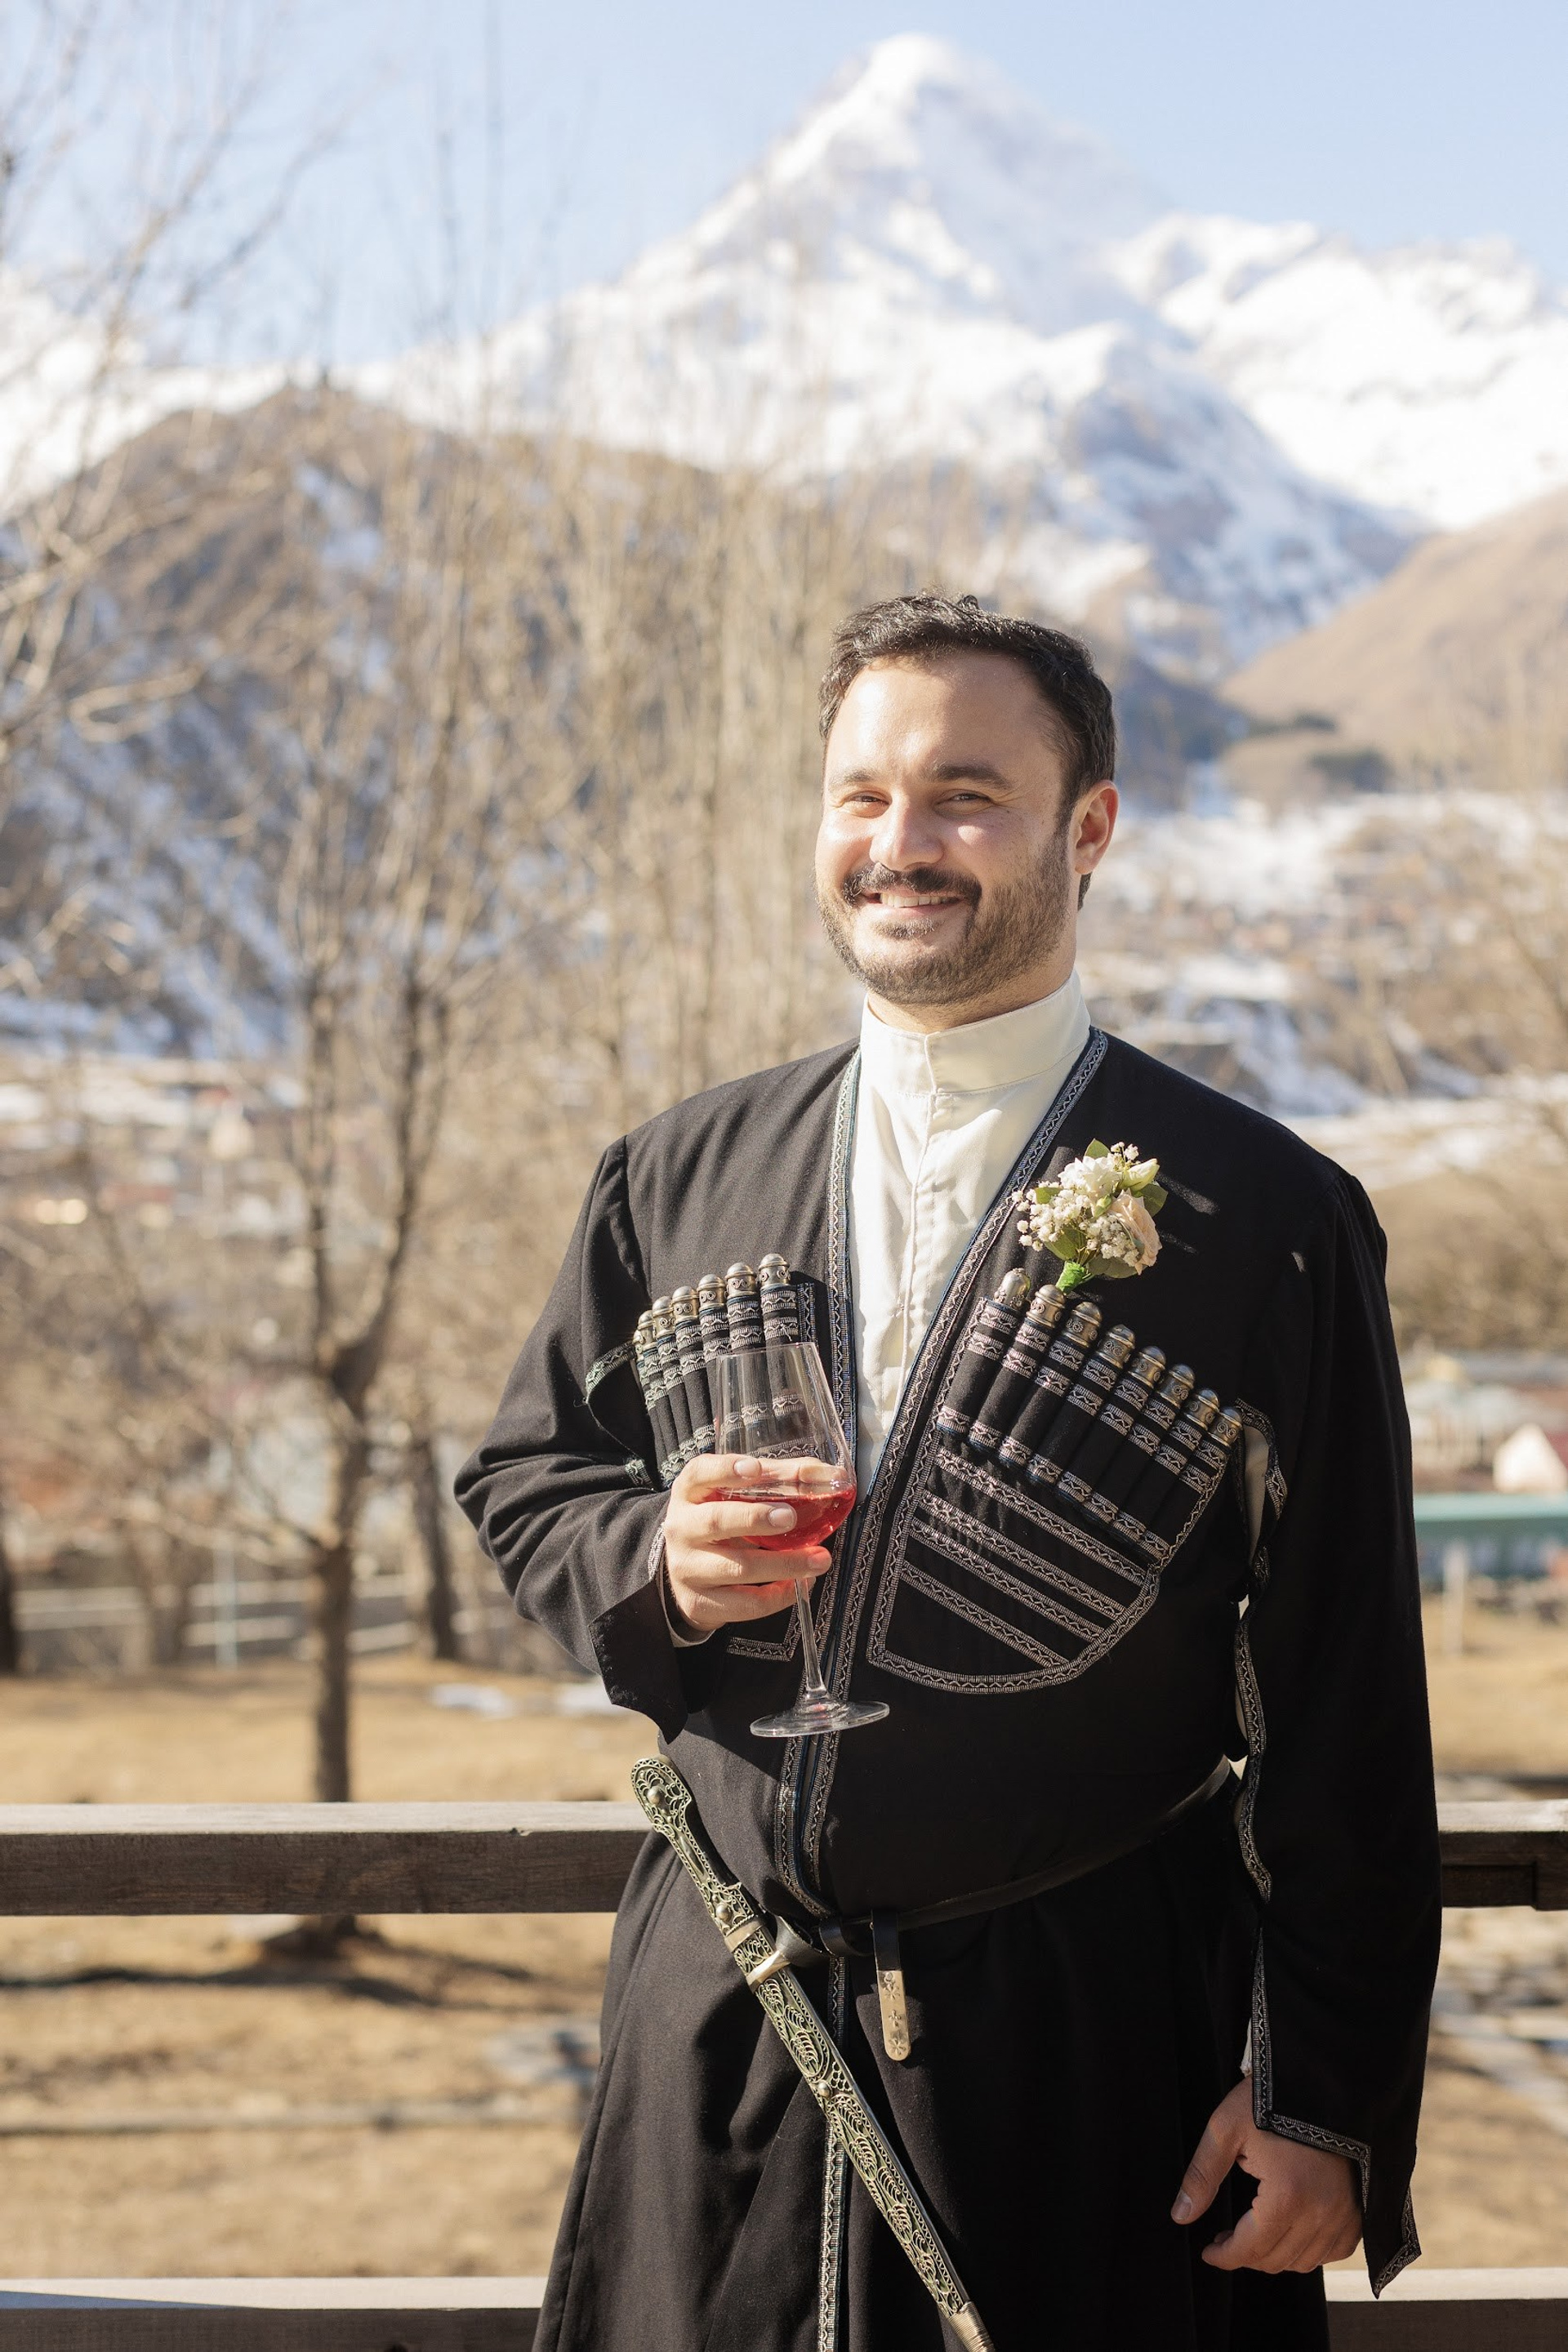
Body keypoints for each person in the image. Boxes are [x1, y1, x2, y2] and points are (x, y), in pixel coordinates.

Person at [457, 595, 1440, 2352]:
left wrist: (1326, 2096)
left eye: (965, 796)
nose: (900, 845)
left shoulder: (1268, 1220)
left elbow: (1346, 1680)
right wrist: (654, 1564)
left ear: (1090, 829)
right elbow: (532, 1476)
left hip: (1099, 2052)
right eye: (861, 796)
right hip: (727, 2022)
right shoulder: (671, 1173)